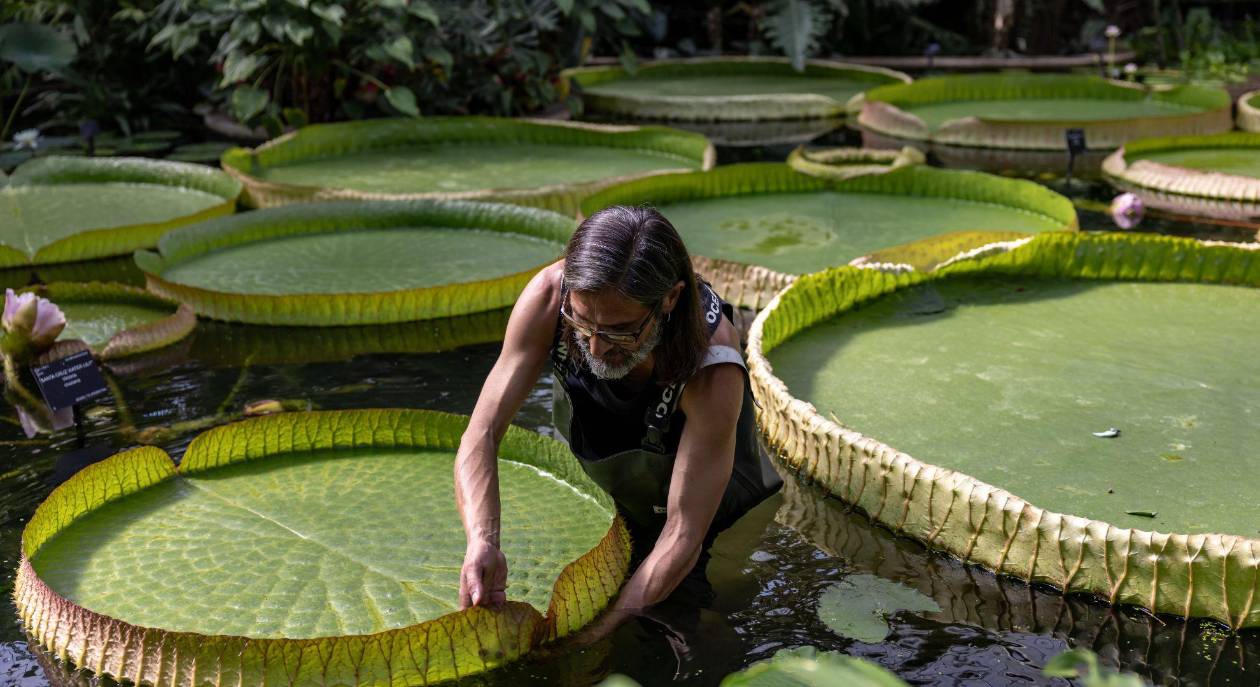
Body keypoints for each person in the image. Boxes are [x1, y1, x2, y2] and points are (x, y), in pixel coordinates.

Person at [454, 205, 782, 629]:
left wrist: (599, 633)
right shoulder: (551, 297)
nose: (595, 348)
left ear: (670, 299)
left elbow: (684, 533)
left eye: (621, 330)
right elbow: (480, 433)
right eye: (581, 322)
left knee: (687, 625)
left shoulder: (713, 368)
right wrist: (482, 541)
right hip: (613, 488)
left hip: (716, 509)